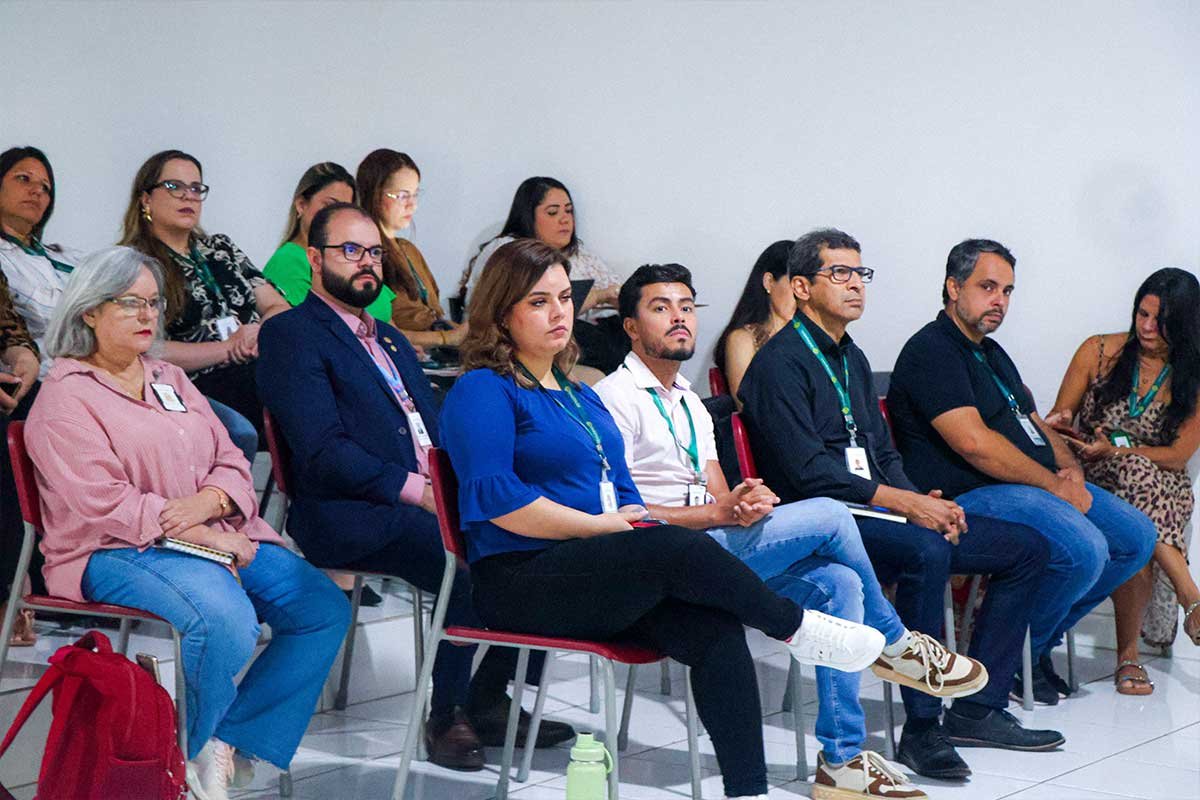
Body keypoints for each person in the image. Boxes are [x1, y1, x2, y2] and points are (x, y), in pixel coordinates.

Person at [440, 237, 889, 800]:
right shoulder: (482, 390)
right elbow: (497, 499)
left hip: (593, 568)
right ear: (501, 313)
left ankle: (748, 791)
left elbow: (624, 495)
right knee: (671, 546)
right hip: (519, 577)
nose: (559, 313)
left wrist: (628, 528)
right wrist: (601, 528)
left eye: (564, 298)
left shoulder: (579, 395)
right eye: (538, 302)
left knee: (715, 629)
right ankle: (795, 627)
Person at [596, 263, 1002, 798]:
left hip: (711, 549)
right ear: (630, 326)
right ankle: (896, 643)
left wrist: (743, 501)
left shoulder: (689, 401)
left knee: (841, 583)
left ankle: (842, 761)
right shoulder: (612, 398)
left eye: (687, 307)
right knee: (829, 513)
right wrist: (718, 516)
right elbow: (621, 513)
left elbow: (715, 492)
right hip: (662, 559)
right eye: (661, 307)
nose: (679, 318)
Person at [256, 203, 575, 770]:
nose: (365, 262)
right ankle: (447, 712)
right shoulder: (292, 334)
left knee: (550, 540)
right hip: (351, 510)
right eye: (349, 250)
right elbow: (322, 452)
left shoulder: (391, 339)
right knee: (472, 561)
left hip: (428, 498)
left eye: (374, 252)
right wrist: (419, 490)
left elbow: (434, 430)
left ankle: (489, 697)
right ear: (314, 259)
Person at [24, 245, 349, 800]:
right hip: (113, 549)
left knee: (320, 608)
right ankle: (177, 771)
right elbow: (104, 503)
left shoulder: (168, 376)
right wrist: (200, 532)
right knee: (224, 619)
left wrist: (214, 502)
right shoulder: (64, 397)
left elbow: (230, 456)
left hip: (208, 533)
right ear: (89, 311)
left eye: (153, 303)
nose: (147, 315)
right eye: (130, 302)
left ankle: (224, 742)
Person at [740, 229, 1061, 780]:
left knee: (1027, 548)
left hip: (879, 508)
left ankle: (978, 710)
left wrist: (919, 497)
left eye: (860, 273)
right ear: (801, 287)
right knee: (925, 550)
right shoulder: (779, 364)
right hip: (826, 519)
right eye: (839, 273)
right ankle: (923, 728)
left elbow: (881, 450)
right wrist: (906, 506)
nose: (855, 285)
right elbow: (808, 472)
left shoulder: (852, 357)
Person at [886, 238, 1157, 706]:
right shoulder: (931, 350)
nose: (1000, 301)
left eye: (1007, 291)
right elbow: (974, 444)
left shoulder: (991, 353)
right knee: (1085, 548)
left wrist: (1070, 470)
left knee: (1135, 537)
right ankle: (1007, 658)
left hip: (1027, 487)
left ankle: (1028, 649)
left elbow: (1035, 424)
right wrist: (1054, 485)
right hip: (968, 494)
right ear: (953, 287)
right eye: (988, 287)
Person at [1046, 267, 1200, 690]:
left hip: (1163, 481)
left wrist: (1120, 452)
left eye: (1160, 320)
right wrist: (1063, 422)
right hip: (1093, 470)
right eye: (1142, 315)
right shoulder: (1098, 351)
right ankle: (1190, 597)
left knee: (1137, 490)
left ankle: (1132, 653)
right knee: (1134, 485)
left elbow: (1177, 456)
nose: (1147, 328)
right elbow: (1060, 423)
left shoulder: (1193, 375)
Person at [118, 149, 287, 459]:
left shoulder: (221, 248)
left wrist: (257, 333)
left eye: (196, 188)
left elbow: (278, 307)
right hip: (192, 385)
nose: (189, 196)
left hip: (257, 368)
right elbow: (146, 348)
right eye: (175, 187)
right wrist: (226, 349)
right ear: (145, 199)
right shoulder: (134, 264)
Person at [457, 176, 625, 373]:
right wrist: (599, 296)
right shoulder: (509, 249)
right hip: (522, 343)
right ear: (528, 216)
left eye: (569, 211)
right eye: (552, 212)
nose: (565, 219)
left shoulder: (579, 253)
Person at [355, 149, 464, 350]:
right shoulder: (365, 255)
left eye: (415, 194)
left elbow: (434, 316)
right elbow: (380, 331)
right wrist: (446, 338)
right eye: (402, 196)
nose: (412, 205)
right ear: (375, 195)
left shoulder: (408, 249)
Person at [263, 162, 395, 324]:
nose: (339, 216)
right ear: (301, 205)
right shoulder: (288, 261)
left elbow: (390, 325)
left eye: (346, 208)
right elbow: (309, 328)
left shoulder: (360, 259)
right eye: (330, 206)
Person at [0, 146, 85, 371]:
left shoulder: (69, 257)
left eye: (45, 188)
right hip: (35, 375)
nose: (37, 191)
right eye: (24, 178)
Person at [714, 240, 795, 402]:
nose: (802, 294)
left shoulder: (811, 336)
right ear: (769, 282)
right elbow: (747, 405)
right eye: (795, 283)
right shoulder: (743, 340)